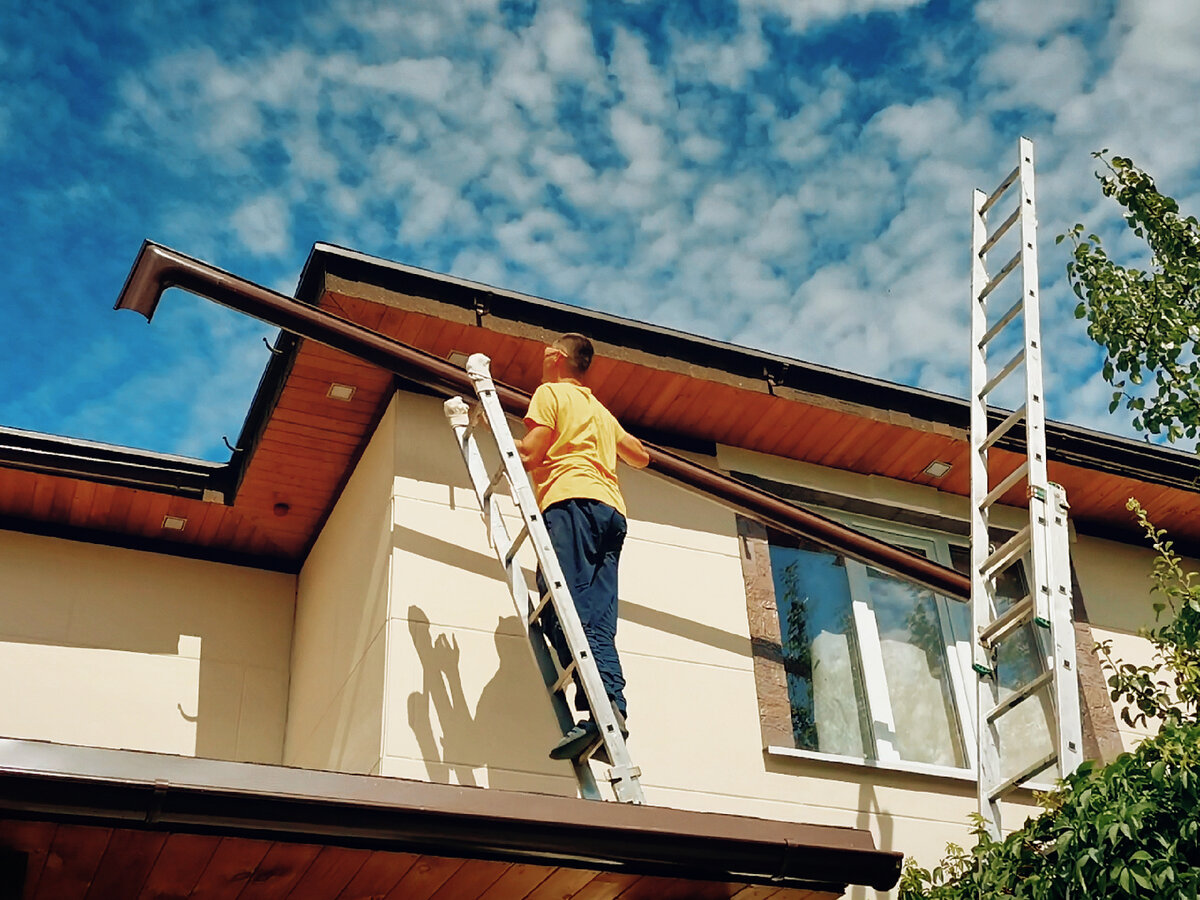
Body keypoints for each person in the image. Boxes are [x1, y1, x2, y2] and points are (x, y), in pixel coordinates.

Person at [514, 333, 650, 761]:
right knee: (597, 617)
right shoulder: (598, 411)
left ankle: (601, 708)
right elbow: (640, 456)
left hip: (570, 503)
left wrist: (494, 435)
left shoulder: (549, 394)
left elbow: (533, 454)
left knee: (561, 609)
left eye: (543, 353)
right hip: (612, 513)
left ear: (556, 358)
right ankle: (610, 712)